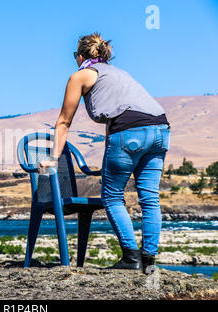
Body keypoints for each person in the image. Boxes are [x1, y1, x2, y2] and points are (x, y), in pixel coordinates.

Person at [39, 32, 170, 274]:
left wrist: (51, 159)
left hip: (130, 133)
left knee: (112, 196)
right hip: (161, 129)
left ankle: (131, 258)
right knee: (150, 198)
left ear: (80, 56)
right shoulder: (119, 73)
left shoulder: (80, 76)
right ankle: (149, 260)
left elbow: (64, 122)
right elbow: (125, 114)